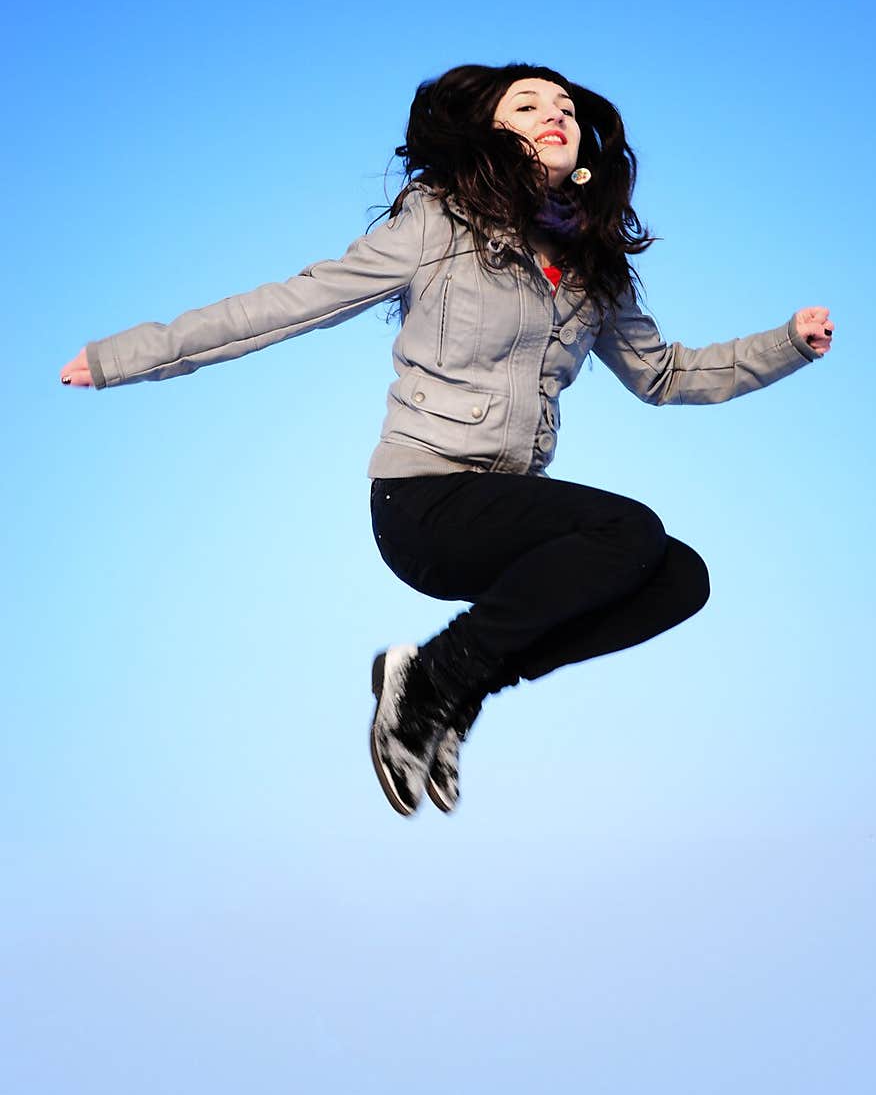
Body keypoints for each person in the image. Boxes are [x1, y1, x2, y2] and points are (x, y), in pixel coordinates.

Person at [60, 62, 835, 819]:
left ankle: (446, 694)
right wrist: (123, 357)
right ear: (491, 134)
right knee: (627, 529)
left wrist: (787, 344)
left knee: (680, 578)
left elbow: (665, 374)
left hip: (501, 516)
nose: (554, 114)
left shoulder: (596, 271)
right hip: (422, 502)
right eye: (527, 106)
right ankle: (432, 680)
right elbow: (286, 307)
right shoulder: (439, 223)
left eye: (564, 105)